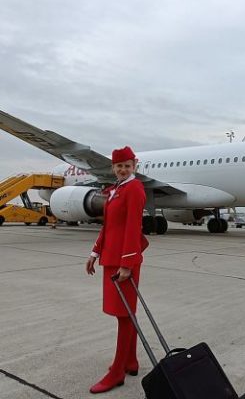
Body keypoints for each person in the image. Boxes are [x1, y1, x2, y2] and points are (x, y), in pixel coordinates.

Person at [85, 146, 146, 394]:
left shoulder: (134, 189)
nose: (123, 169)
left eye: (127, 166)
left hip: (124, 261)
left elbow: (133, 227)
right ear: (113, 168)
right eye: (119, 166)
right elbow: (108, 226)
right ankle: (130, 361)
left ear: (135, 166)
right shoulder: (115, 190)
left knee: (123, 313)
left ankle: (117, 371)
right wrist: (94, 252)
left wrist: (127, 264)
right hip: (111, 258)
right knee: (125, 313)